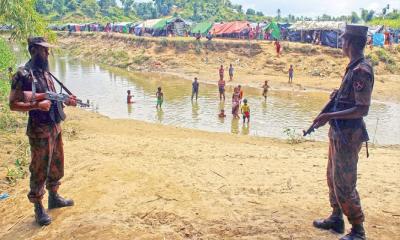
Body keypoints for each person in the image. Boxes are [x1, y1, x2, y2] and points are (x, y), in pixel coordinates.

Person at [312, 25, 374, 240]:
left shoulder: (361, 71)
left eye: (343, 39)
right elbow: (351, 100)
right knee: (332, 177)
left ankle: (358, 230)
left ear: (351, 43)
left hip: (349, 135)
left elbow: (362, 109)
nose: (341, 42)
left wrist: (328, 116)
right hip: (339, 133)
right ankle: (336, 217)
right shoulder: (353, 67)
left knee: (345, 183)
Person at [8, 37, 76, 226]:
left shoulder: (47, 74)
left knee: (56, 164)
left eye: (47, 50)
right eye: (44, 50)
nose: (47, 53)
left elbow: (52, 99)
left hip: (55, 126)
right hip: (39, 130)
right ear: (33, 50)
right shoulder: (23, 74)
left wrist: (66, 100)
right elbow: (13, 104)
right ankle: (38, 207)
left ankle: (54, 197)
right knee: (39, 169)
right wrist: (37, 105)